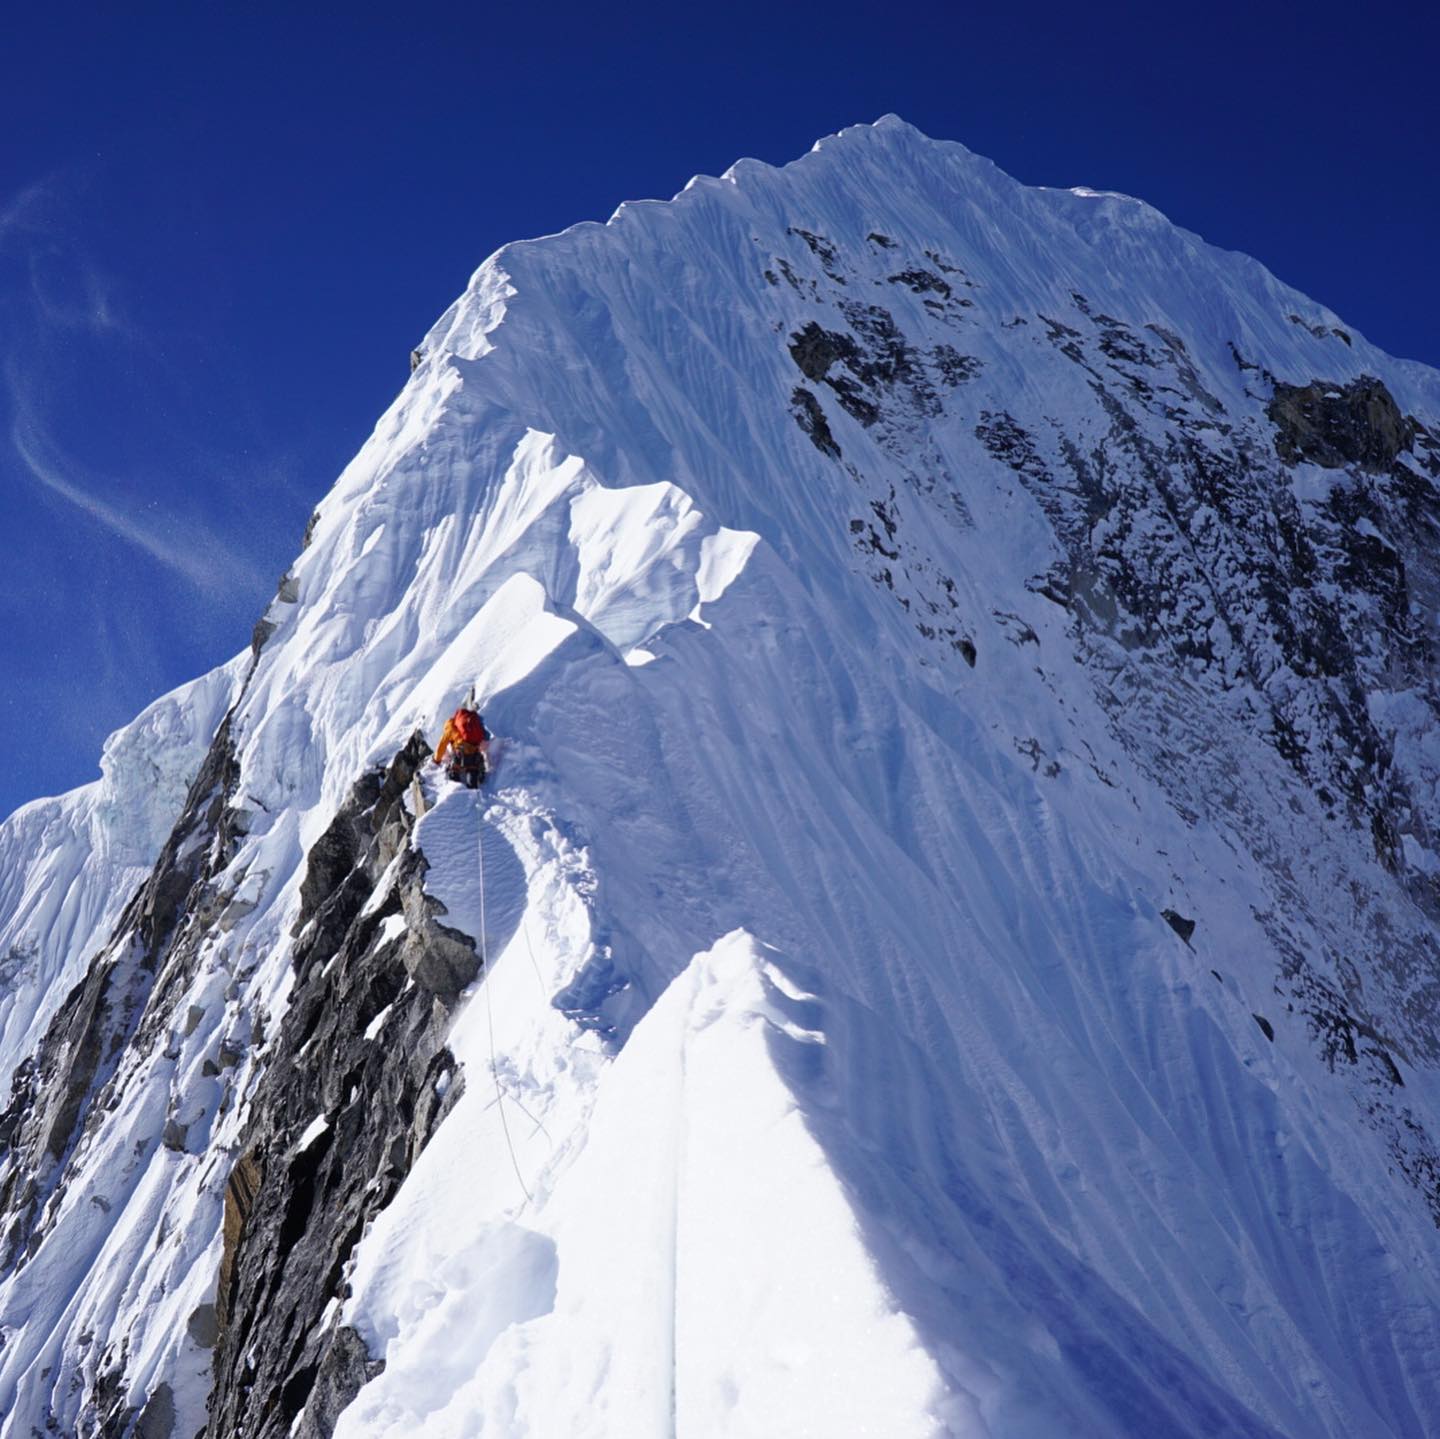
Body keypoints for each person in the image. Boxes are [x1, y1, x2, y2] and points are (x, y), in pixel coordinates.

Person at [434, 698, 490, 788]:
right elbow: (485, 736)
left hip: (460, 753)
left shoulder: (450, 727)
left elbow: (442, 744)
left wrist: (436, 760)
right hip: (473, 751)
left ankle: (456, 790)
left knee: (455, 770)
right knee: (472, 769)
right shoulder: (469, 723)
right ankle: (473, 788)